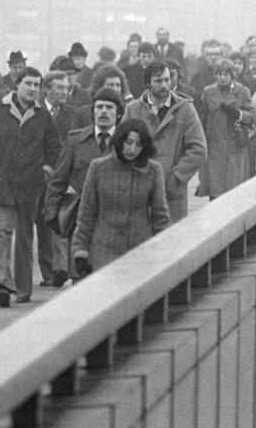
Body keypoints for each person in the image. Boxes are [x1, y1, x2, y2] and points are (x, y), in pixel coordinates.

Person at [0, 67, 62, 306]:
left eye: (36, 85)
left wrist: (45, 170)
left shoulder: (43, 115)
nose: (32, 88)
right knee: (2, 232)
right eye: (28, 84)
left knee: (25, 236)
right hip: (1, 183)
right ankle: (2, 282)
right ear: (17, 84)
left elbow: (55, 148)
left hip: (30, 185)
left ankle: (24, 289)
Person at [42, 87, 122, 285]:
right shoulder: (76, 140)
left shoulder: (127, 141)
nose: (103, 111)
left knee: (112, 281)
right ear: (92, 111)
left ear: (118, 113)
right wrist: (52, 212)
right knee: (81, 282)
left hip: (116, 223)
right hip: (81, 223)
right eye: (99, 107)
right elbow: (59, 179)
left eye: (109, 107)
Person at [70, 119, 170, 272]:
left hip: (140, 252)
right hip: (103, 252)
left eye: (139, 144)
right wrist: (80, 249)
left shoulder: (153, 170)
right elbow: (86, 213)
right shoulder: (98, 167)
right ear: (119, 140)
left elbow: (160, 217)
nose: (132, 149)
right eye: (128, 142)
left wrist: (160, 250)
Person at [123, 61, 207, 222]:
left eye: (167, 80)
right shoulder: (133, 109)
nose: (164, 85)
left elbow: (199, 149)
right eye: (158, 81)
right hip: (139, 191)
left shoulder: (185, 109)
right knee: (142, 242)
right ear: (148, 83)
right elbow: (121, 146)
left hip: (171, 193)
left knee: (172, 241)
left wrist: (176, 178)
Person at [35, 70, 77, 286]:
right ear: (47, 89)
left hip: (64, 175)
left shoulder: (72, 114)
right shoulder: (35, 111)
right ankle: (48, 271)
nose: (64, 92)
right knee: (43, 223)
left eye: (66, 88)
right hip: (38, 175)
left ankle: (61, 268)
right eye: (59, 88)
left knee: (63, 219)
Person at [198, 59, 256, 199]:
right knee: (215, 191)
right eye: (219, 74)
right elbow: (202, 118)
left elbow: (253, 116)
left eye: (226, 74)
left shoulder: (242, 91)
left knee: (234, 191)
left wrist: (238, 115)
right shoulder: (208, 92)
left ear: (232, 75)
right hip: (214, 148)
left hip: (235, 146)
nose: (222, 77)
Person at [71, 65, 132, 129]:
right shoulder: (82, 114)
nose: (115, 89)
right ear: (99, 87)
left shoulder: (129, 111)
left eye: (118, 85)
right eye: (111, 85)